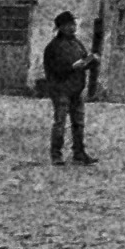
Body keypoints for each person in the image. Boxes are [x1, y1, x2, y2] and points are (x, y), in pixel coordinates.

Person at [40, 12, 97, 165]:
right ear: (61, 27)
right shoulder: (53, 47)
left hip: (76, 88)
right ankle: (56, 154)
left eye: (73, 24)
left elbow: (83, 60)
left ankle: (79, 153)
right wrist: (72, 67)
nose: (73, 28)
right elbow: (53, 70)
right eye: (69, 25)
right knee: (60, 123)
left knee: (78, 123)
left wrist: (90, 61)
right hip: (60, 89)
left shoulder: (77, 44)